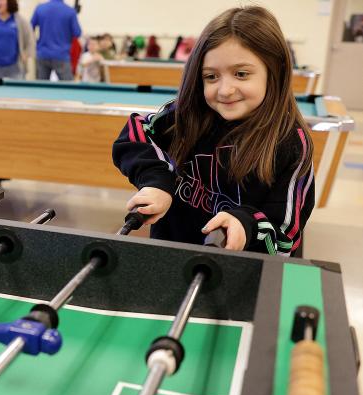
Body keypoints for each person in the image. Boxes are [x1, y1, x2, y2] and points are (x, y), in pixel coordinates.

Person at [112, 6, 314, 256]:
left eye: (241, 74)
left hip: (247, 274)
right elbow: (136, 130)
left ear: (275, 72)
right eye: (211, 76)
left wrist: (245, 225)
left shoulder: (291, 142)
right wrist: (156, 182)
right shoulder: (185, 114)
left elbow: (285, 238)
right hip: (171, 257)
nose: (225, 90)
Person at [0, 0, 34, 80]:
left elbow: (30, 41)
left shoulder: (20, 21)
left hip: (15, 68)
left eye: (1, 0)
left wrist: (25, 55)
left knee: (15, 92)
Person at [31, 0, 82, 80]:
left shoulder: (40, 8)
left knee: (41, 88)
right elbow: (77, 33)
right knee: (68, 88)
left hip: (42, 54)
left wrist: (37, 44)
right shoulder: (70, 11)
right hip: (62, 55)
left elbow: (30, 28)